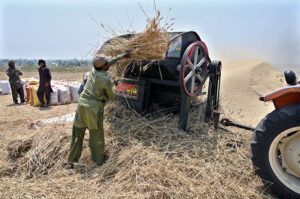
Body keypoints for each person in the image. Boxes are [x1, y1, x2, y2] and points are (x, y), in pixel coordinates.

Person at [67, 51, 129, 166]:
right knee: (96, 135)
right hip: (93, 109)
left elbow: (108, 62)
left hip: (81, 106)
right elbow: (112, 96)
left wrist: (121, 56)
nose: (109, 65)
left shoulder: (93, 70)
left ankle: (71, 161)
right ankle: (98, 161)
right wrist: (115, 86)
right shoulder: (105, 78)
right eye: (107, 64)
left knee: (77, 134)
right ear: (104, 66)